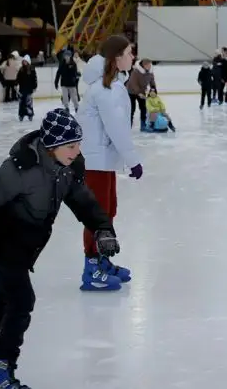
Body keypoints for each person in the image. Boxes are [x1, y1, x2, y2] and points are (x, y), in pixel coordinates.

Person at [0, 109, 119, 389]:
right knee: (21, 301)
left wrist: (102, 228)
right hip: (2, 241)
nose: (77, 151)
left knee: (5, 297)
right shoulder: (19, 169)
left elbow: (83, 201)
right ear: (52, 145)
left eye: (78, 144)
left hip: (27, 243)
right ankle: (2, 371)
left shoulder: (69, 167)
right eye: (70, 146)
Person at [76, 34, 141, 291]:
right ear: (117, 58)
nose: (132, 57)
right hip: (96, 162)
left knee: (107, 211)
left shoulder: (113, 85)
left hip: (103, 160)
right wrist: (133, 161)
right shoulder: (105, 90)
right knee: (97, 215)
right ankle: (91, 269)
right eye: (129, 52)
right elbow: (117, 129)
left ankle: (101, 260)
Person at [126, 58, 157, 130]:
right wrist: (139, 93)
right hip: (131, 92)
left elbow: (152, 81)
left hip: (142, 92)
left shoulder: (150, 72)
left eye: (150, 65)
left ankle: (143, 125)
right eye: (147, 65)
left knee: (143, 109)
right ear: (143, 65)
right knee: (131, 109)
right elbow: (133, 83)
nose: (149, 66)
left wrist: (153, 89)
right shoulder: (136, 72)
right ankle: (128, 125)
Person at [53, 47, 81, 112]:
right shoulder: (62, 64)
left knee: (74, 97)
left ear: (70, 56)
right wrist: (56, 82)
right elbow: (58, 73)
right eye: (65, 56)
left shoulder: (73, 64)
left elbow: (75, 73)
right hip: (64, 83)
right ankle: (66, 108)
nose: (66, 57)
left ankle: (76, 107)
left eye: (68, 56)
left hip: (72, 84)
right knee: (65, 97)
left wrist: (76, 76)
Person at [15, 56, 38, 122]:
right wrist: (16, 84)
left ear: (28, 62)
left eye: (25, 61)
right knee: (21, 103)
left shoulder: (32, 69)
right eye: (23, 61)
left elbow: (34, 79)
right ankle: (21, 115)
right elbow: (18, 78)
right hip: (22, 89)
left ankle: (30, 115)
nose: (24, 62)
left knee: (29, 103)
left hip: (29, 89)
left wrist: (34, 87)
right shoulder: (21, 69)